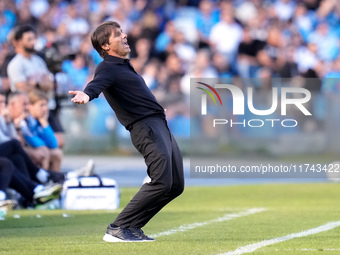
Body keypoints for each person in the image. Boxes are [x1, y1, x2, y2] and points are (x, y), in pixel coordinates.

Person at [69, 21, 184, 242]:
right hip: (146, 128)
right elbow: (96, 83)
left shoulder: (123, 65)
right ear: (105, 45)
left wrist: (157, 109)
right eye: (117, 35)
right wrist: (87, 94)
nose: (124, 36)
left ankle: (132, 227)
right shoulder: (107, 67)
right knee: (161, 181)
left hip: (158, 124)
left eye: (122, 32)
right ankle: (118, 227)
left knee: (175, 185)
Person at [6, 25, 65, 148]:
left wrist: (34, 84)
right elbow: (22, 87)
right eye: (29, 39)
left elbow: (49, 84)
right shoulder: (16, 64)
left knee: (59, 142)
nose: (33, 42)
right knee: (44, 146)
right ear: (17, 42)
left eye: (34, 39)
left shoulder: (38, 61)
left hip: (46, 106)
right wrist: (40, 85)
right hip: (29, 111)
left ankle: (50, 168)